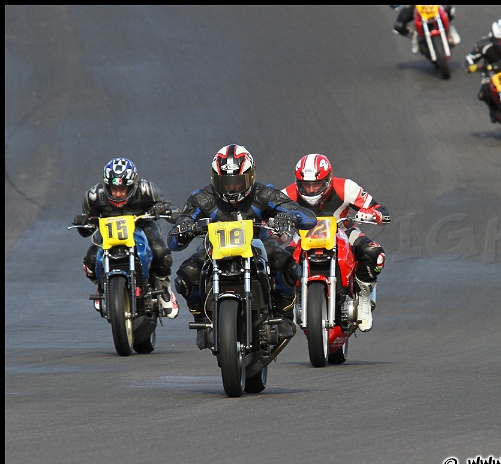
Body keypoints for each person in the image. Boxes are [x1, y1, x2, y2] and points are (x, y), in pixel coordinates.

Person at [167, 144, 317, 350]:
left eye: (238, 182)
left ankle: (283, 316)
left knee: (288, 267)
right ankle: (202, 320)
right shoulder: (201, 198)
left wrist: (289, 216)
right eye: (225, 182)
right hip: (214, 248)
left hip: (260, 243)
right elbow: (174, 241)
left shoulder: (265, 193)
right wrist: (184, 228)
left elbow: (309, 217)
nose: (232, 188)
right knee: (185, 276)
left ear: (251, 177)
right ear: (215, 179)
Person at [281, 153, 391, 332]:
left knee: (374, 253)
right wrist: (270, 225)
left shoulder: (346, 187)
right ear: (297, 182)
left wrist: (373, 214)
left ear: (328, 180)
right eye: (305, 185)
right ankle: (286, 306)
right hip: (302, 235)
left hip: (343, 230)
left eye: (316, 184)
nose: (310, 190)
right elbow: (266, 214)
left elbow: (378, 208)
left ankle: (363, 295)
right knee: (277, 262)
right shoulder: (287, 194)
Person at [71, 157, 180, 319]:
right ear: (105, 186)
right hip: (107, 231)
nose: (118, 193)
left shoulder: (147, 190)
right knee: (90, 261)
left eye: (123, 189)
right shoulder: (93, 196)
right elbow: (85, 230)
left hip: (141, 226)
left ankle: (164, 288)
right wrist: (82, 221)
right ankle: (102, 285)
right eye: (113, 189)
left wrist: (162, 208)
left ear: (133, 186)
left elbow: (170, 210)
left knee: (161, 252)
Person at [392, 5, 461, 48]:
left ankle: (451, 29)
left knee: (450, 10)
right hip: (415, 7)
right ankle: (414, 37)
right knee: (399, 26)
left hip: (432, 6)